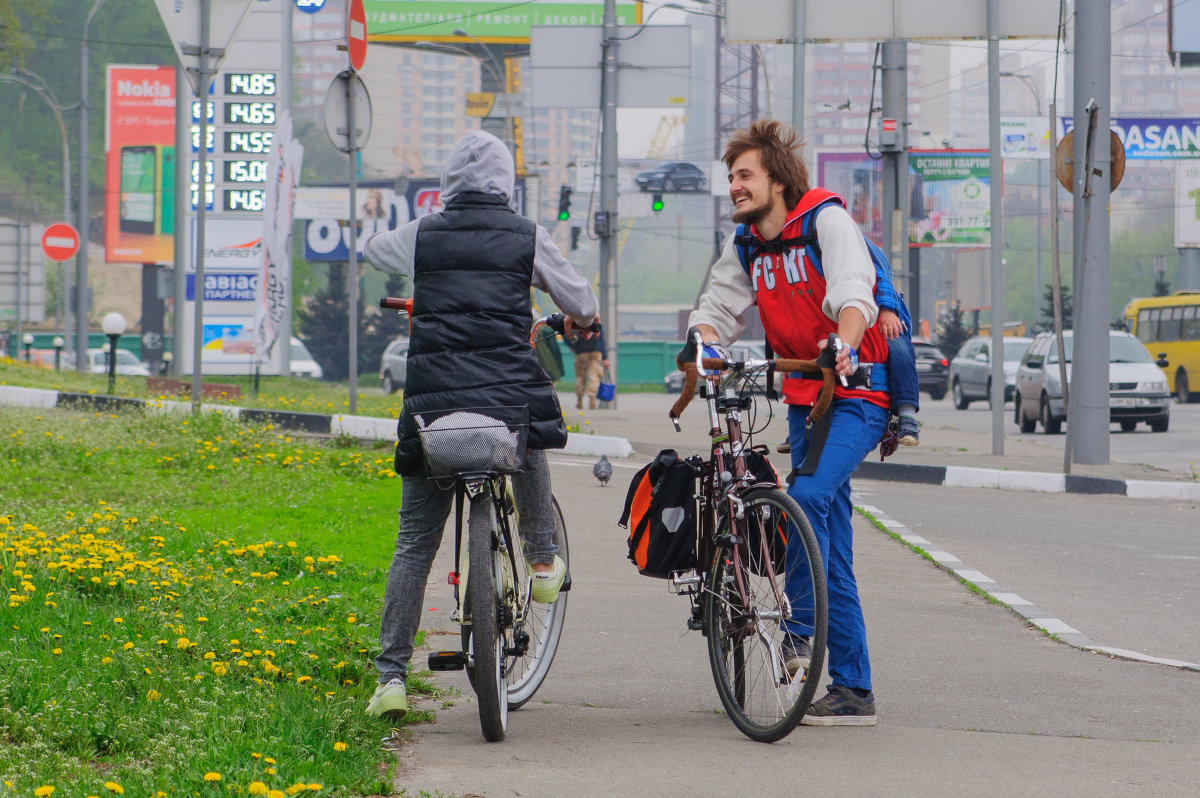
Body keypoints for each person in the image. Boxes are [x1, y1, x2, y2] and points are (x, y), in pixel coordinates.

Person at [360, 130, 600, 721]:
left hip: (431, 414)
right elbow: (584, 303)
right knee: (529, 436)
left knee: (414, 544)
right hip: (502, 408)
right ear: (506, 184)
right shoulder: (528, 237)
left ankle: (391, 677)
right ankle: (542, 561)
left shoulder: (422, 234)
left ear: (447, 183)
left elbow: (371, 250)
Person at [686, 119, 888, 726]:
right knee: (832, 550)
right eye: (731, 178)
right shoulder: (747, 244)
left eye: (745, 176)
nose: (735, 188)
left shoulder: (825, 220)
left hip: (857, 393)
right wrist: (704, 343)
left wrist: (844, 344)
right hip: (803, 400)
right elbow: (716, 308)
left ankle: (799, 633)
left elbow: (856, 292)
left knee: (803, 500)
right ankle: (854, 691)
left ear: (777, 178)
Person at [567, 325, 609, 410]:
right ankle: (592, 399)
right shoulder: (596, 320)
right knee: (594, 376)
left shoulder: (576, 319)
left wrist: (572, 346)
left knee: (580, 376)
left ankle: (579, 400)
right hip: (595, 352)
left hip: (580, 352)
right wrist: (604, 358)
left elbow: (566, 335)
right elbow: (601, 340)